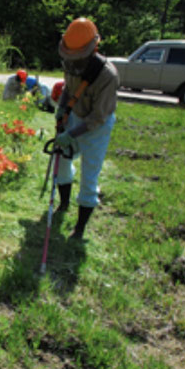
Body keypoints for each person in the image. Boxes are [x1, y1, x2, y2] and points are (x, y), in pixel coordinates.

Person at [53, 17, 119, 239]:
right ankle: (63, 205)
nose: (73, 62)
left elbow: (98, 118)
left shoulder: (108, 76)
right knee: (60, 161)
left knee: (89, 176)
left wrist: (72, 134)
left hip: (97, 126)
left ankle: (79, 229)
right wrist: (62, 110)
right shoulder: (71, 65)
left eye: (77, 58)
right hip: (74, 117)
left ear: (93, 49)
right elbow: (67, 90)